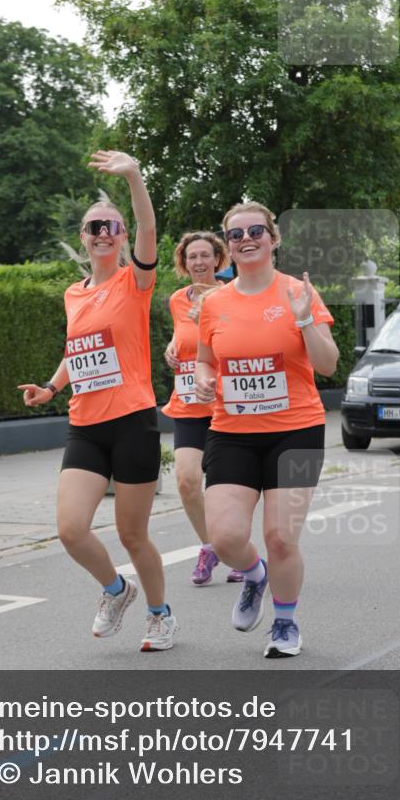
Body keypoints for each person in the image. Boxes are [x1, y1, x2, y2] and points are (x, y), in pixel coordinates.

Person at [18, 150, 177, 652]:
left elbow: (150, 228)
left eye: (111, 225)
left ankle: (160, 615)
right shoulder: (73, 293)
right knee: (70, 529)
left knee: (133, 534)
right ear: (84, 238)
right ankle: (116, 590)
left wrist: (134, 175)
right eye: (94, 226)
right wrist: (51, 387)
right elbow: (79, 349)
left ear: (122, 236)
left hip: (132, 422)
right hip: (85, 425)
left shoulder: (136, 281)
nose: (103, 232)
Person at [195, 201, 339, 657]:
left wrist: (302, 318)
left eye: (256, 231)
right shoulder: (214, 302)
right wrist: (201, 379)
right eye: (236, 235)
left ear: (273, 239)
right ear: (228, 247)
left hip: (295, 430)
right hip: (231, 431)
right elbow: (204, 359)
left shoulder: (299, 292)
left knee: (281, 537)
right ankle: (255, 576)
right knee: (225, 537)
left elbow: (329, 365)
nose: (246, 239)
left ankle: (285, 623)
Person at [163, 232, 245, 585]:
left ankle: (239, 554)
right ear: (184, 263)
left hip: (224, 406)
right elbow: (185, 339)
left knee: (225, 488)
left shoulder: (232, 296)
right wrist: (172, 345)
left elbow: (239, 343)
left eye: (204, 256)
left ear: (217, 260)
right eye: (191, 257)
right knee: (186, 481)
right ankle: (210, 546)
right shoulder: (177, 300)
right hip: (187, 404)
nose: (198, 262)